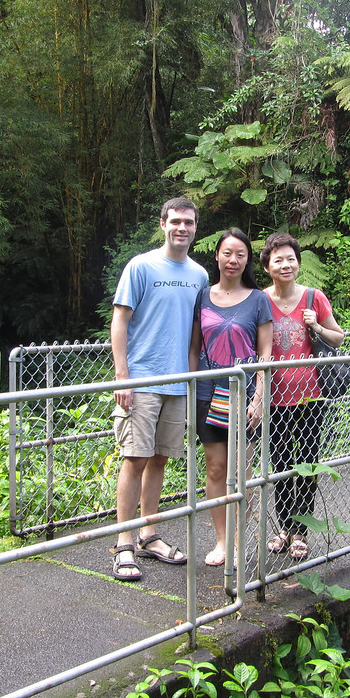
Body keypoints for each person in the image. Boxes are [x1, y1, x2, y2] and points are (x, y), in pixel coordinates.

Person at [110, 197, 210, 581]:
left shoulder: (200, 275)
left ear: (196, 228)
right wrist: (124, 377)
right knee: (134, 457)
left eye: (188, 222)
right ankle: (124, 544)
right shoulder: (141, 266)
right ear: (163, 223)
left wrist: (188, 380)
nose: (181, 228)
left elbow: (195, 336)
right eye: (175, 221)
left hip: (178, 383)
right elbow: (121, 320)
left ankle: (149, 534)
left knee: (160, 459)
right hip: (142, 380)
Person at [189, 228, 273, 567]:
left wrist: (259, 399)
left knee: (242, 472)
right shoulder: (203, 296)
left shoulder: (258, 299)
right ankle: (222, 541)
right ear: (218, 256)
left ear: (247, 259)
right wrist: (190, 388)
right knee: (215, 468)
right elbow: (194, 347)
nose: (233, 260)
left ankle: (240, 541)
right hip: (208, 393)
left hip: (244, 394)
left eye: (240, 254)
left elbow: (266, 354)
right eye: (227, 253)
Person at [259, 232, 345, 561]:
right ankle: (284, 528)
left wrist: (317, 327)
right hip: (274, 397)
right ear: (267, 266)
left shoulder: (313, 298)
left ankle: (301, 532)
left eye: (291, 258)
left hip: (310, 396)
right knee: (280, 464)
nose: (286, 264)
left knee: (307, 464)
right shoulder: (260, 300)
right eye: (278, 259)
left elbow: (338, 338)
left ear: (298, 263)